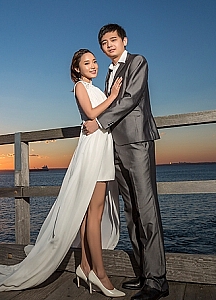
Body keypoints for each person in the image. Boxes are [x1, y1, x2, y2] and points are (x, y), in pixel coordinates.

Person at [0, 49, 124, 296]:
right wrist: (114, 95)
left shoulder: (97, 89)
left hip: (102, 147)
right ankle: (100, 274)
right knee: (93, 213)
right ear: (77, 68)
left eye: (94, 61)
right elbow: (92, 114)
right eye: (87, 63)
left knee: (89, 214)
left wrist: (109, 98)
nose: (93, 65)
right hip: (92, 150)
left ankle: (85, 267)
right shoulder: (79, 87)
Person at [83, 23, 168, 300]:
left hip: (137, 142)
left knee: (146, 208)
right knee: (132, 211)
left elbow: (131, 98)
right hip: (115, 147)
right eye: (104, 42)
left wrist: (99, 122)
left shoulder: (137, 62)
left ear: (124, 40)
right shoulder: (108, 74)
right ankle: (144, 273)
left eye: (113, 40)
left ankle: (157, 280)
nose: (109, 45)